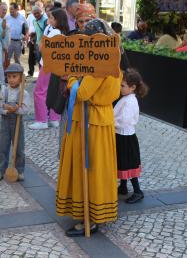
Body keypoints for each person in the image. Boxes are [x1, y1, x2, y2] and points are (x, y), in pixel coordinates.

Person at [56, 19, 121, 237]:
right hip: (96, 118)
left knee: (91, 168)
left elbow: (82, 93)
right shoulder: (112, 58)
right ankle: (92, 213)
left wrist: (72, 77)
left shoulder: (100, 65)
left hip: (91, 121)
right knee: (95, 167)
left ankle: (90, 217)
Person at [29, 8, 69, 130]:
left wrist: (42, 42)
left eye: (51, 17)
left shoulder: (54, 32)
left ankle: (41, 120)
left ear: (57, 20)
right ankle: (54, 118)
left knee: (40, 91)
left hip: (48, 65)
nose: (49, 19)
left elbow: (42, 48)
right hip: (57, 65)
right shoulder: (62, 32)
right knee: (54, 90)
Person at [116, 69, 148, 204]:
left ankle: (137, 191)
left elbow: (124, 120)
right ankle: (123, 186)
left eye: (122, 85)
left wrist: (109, 122)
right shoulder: (126, 98)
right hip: (121, 135)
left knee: (129, 164)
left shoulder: (130, 101)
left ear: (133, 87)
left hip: (126, 137)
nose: (120, 88)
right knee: (122, 162)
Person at [0, 63, 31, 182]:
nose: (11, 79)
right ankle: (0, 169)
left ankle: (19, 170)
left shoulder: (23, 93)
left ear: (21, 78)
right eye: (9, 77)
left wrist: (16, 110)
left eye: (14, 76)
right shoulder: (4, 91)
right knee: (3, 146)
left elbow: (25, 109)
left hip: (17, 122)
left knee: (19, 147)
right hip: (5, 121)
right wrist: (6, 109)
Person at [26, 1, 45, 77]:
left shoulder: (45, 20)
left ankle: (43, 77)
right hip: (36, 42)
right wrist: (32, 38)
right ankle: (39, 76)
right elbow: (37, 31)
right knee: (38, 59)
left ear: (41, 11)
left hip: (44, 44)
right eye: (35, 13)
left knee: (43, 61)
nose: (36, 15)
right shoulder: (34, 20)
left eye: (38, 12)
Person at [0, 3, 11, 71]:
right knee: (0, 65)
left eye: (6, 10)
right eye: (3, 9)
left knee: (4, 64)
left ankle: (2, 79)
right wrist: (4, 46)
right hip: (1, 47)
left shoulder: (5, 18)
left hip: (6, 46)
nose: (4, 11)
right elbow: (0, 36)